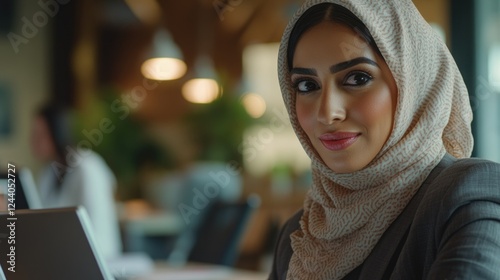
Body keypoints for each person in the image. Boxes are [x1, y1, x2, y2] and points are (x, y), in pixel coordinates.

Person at [269, 0, 500, 279]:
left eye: (357, 78)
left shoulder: (467, 196)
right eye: (307, 85)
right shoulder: (301, 235)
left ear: (414, 83)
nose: (327, 113)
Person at [31, 104, 122, 260]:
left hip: (96, 260)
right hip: (61, 258)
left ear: (57, 132)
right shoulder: (48, 173)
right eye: (33, 134)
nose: (33, 141)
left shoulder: (88, 168)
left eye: (40, 134)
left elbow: (100, 232)